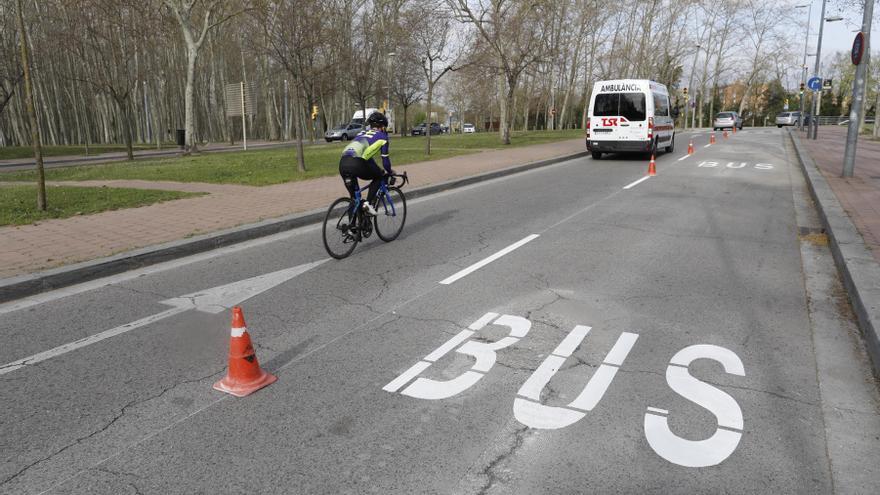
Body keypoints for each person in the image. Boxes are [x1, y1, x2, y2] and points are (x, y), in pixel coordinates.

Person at [338, 112, 394, 216]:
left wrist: (376, 168)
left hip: (343, 163)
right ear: (382, 127)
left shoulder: (361, 133)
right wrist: (390, 172)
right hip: (357, 164)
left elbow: (366, 156)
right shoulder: (383, 137)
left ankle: (352, 230)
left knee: (354, 199)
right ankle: (368, 204)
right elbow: (385, 161)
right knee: (379, 177)